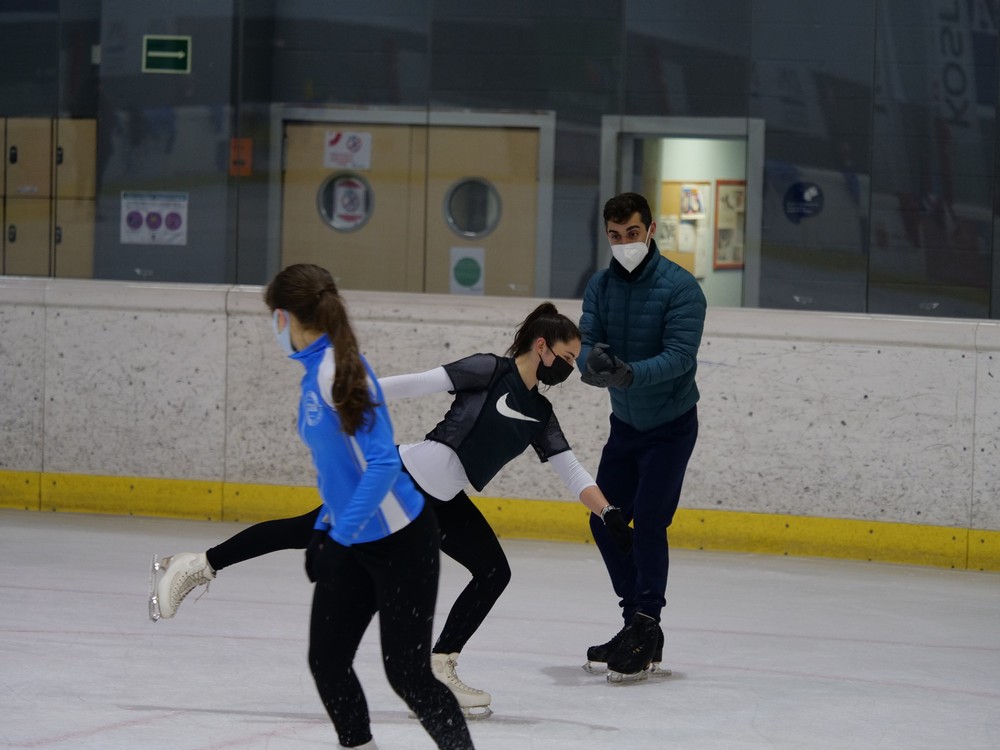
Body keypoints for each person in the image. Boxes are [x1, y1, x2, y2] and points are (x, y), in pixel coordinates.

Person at [150, 302, 633, 718]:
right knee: (305, 531)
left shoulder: (541, 415)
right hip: (402, 480)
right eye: (566, 358)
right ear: (542, 346)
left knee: (493, 572)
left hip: (444, 501)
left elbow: (572, 471)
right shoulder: (490, 370)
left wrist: (607, 511)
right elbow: (418, 383)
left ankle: (441, 665)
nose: (569, 369)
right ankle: (197, 564)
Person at [210, 263, 474, 750]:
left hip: (401, 544)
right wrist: (326, 528)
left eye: (273, 318)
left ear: (284, 317)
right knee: (328, 661)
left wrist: (338, 537)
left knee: (408, 675)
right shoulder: (316, 371)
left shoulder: (336, 372)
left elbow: (381, 463)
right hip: (351, 538)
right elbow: (340, 471)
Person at [578, 191, 705, 683]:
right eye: (615, 235)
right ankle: (637, 622)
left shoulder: (682, 288)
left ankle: (646, 622)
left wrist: (629, 373)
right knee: (605, 519)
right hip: (625, 425)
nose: (624, 242)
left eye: (633, 233)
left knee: (650, 521)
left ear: (651, 230)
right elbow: (588, 340)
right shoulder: (600, 286)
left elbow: (680, 356)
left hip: (671, 426)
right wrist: (593, 364)